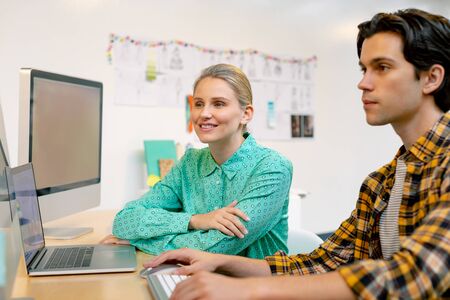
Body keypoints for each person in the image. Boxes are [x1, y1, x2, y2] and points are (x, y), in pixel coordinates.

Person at [145, 8, 450, 299]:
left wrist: (247, 291)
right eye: (363, 69)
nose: (363, 83)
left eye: (382, 68)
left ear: (431, 78)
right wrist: (221, 263)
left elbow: (418, 273)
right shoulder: (381, 183)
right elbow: (325, 262)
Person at [102, 64, 293, 259]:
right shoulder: (190, 163)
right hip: (193, 278)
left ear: (246, 114)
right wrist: (195, 220)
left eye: (219, 104)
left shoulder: (273, 168)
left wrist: (140, 241)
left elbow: (216, 247)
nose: (204, 114)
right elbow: (124, 221)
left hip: (256, 286)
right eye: (199, 104)